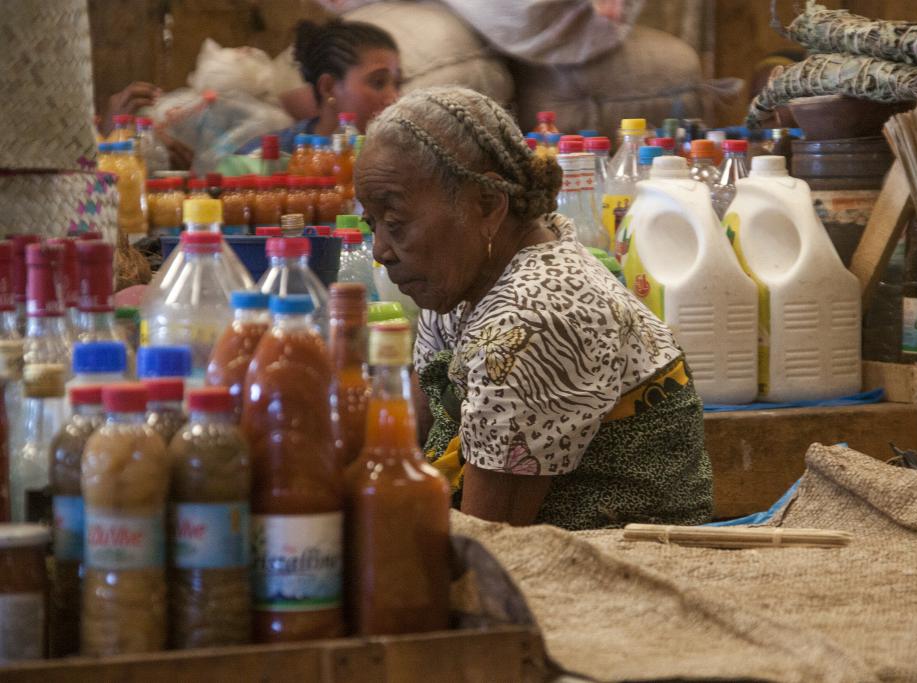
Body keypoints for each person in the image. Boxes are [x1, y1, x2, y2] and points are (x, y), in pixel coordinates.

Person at [356, 87, 712, 531]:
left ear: (486, 207)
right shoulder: (464, 276)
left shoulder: (534, 320)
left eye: (395, 224)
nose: (381, 251)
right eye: (372, 225)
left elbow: (495, 544)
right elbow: (406, 434)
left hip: (612, 564)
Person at [237, 18, 400, 154]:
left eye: (398, 84)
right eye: (378, 83)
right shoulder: (265, 159)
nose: (394, 98)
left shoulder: (403, 159)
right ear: (328, 88)